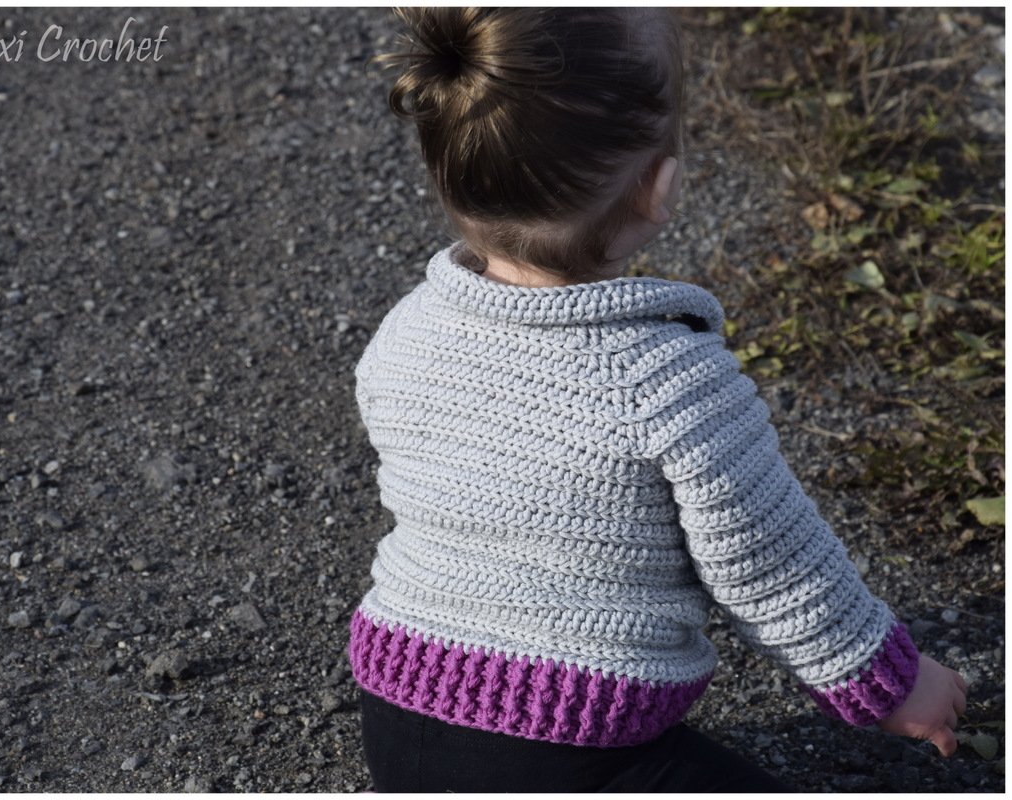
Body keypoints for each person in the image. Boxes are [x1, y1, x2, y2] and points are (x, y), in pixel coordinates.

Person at [347, 8, 967, 793]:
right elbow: (770, 562)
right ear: (660, 186)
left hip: (397, 708)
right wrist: (889, 680)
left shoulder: (408, 328)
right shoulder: (666, 380)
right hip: (575, 747)